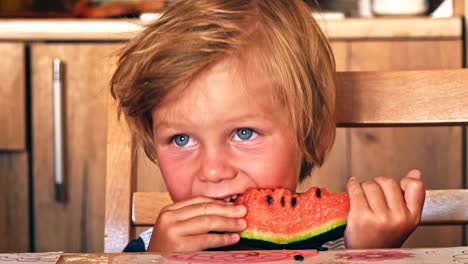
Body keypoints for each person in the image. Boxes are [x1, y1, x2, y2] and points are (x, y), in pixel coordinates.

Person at [110, 0, 425, 252]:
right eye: (181, 139)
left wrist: (370, 255)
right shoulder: (152, 248)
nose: (212, 171)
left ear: (312, 135)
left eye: (243, 133)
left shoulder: (346, 245)